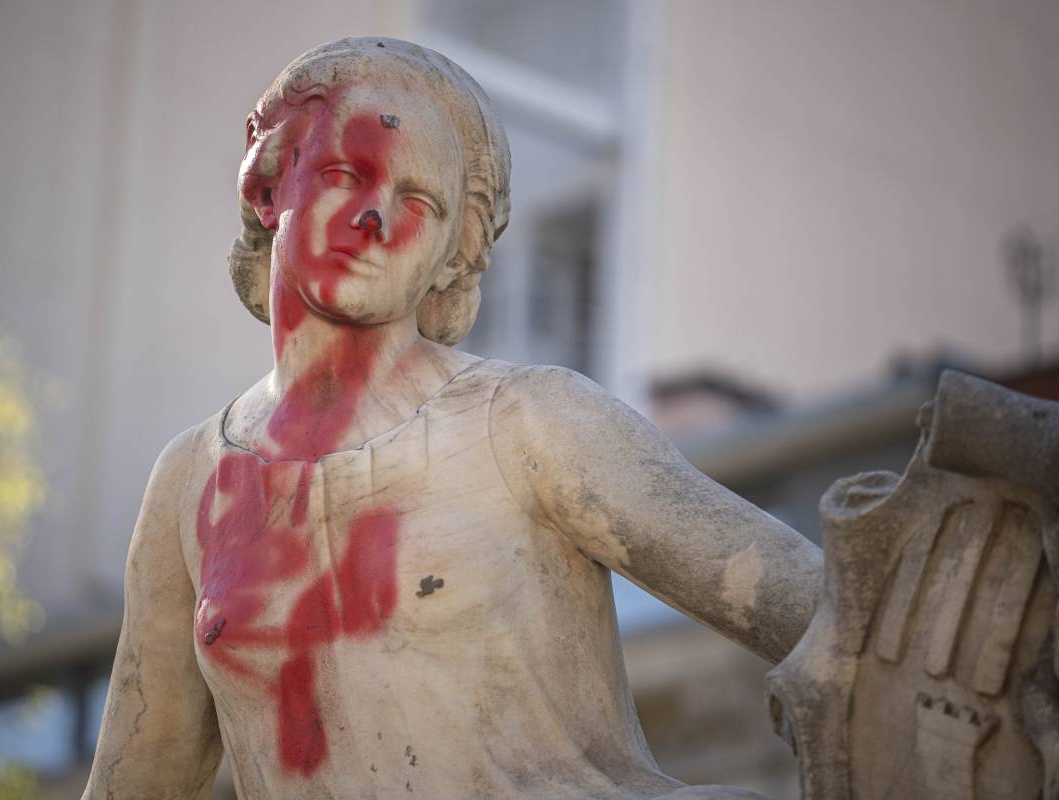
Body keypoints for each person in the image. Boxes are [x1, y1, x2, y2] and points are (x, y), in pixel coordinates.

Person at [82, 38, 822, 800]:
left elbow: (829, 618)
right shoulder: (190, 481)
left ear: (450, 254)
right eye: (344, 173)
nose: (375, 216)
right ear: (271, 184)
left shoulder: (530, 424)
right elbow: (136, 778)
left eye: (421, 203)